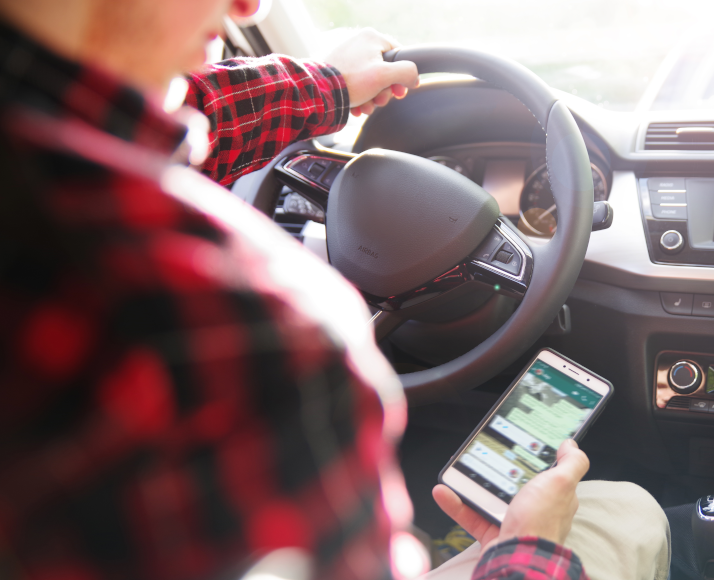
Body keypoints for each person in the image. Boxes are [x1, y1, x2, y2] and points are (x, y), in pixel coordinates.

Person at [0, 1, 669, 579]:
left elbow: (163, 115)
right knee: (625, 514)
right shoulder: (230, 330)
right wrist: (526, 549)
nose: (248, 10)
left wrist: (330, 90)